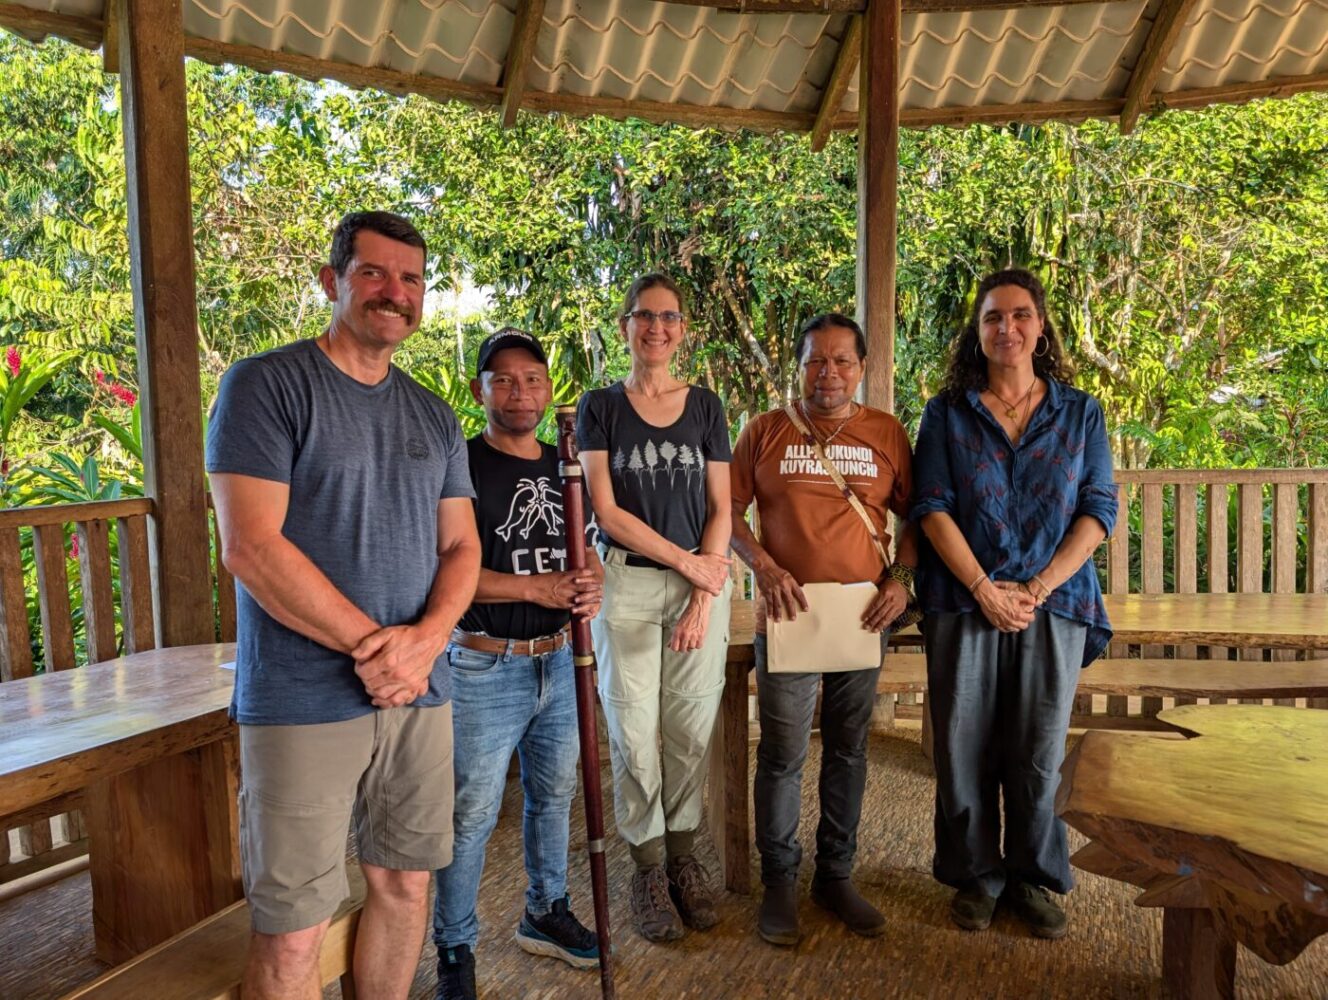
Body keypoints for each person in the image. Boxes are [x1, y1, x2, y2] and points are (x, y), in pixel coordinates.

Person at [206, 211, 482, 999]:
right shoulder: (266, 385)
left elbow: (462, 550)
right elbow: (252, 546)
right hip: (301, 697)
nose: (395, 293)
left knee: (405, 888)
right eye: (374, 273)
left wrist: (424, 646)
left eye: (412, 279)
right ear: (331, 282)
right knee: (294, 927)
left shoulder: (432, 413)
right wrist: (382, 651)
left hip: (420, 693)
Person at [910, 267, 1117, 940]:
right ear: (978, 330)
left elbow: (1098, 509)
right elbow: (932, 508)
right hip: (963, 599)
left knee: (1038, 747)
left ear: (1041, 325)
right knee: (963, 745)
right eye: (994, 316)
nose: (1008, 327)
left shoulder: (1080, 412)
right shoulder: (946, 412)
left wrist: (1035, 587)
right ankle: (976, 877)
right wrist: (982, 588)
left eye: (1020, 314)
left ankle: (1031, 879)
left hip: (1053, 603)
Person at [730, 313, 918, 946]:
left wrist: (903, 582)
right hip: (788, 617)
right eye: (816, 360)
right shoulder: (765, 431)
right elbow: (726, 511)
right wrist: (761, 565)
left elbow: (918, 516)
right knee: (782, 754)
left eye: (842, 361)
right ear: (800, 365)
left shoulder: (886, 433)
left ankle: (835, 876)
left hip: (863, 618)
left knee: (848, 749)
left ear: (861, 369)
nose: (828, 373)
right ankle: (779, 880)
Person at [432, 329, 603, 999]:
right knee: (471, 811)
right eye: (503, 380)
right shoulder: (462, 465)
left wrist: (591, 584)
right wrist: (537, 588)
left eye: (533, 379)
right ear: (479, 390)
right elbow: (446, 571)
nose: (521, 392)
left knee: (553, 794)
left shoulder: (567, 466)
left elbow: (586, 557)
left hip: (559, 661)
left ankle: (545, 910)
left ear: (548, 388)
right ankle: (454, 948)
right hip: (482, 663)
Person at [576, 272, 734, 943]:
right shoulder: (600, 406)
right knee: (633, 732)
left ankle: (682, 859)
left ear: (683, 330)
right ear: (625, 326)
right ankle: (645, 865)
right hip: (628, 588)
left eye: (670, 318)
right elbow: (606, 511)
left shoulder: (706, 407)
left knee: (689, 729)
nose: (657, 328)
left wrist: (702, 591)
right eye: (645, 316)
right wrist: (687, 563)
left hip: (700, 588)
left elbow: (723, 509)